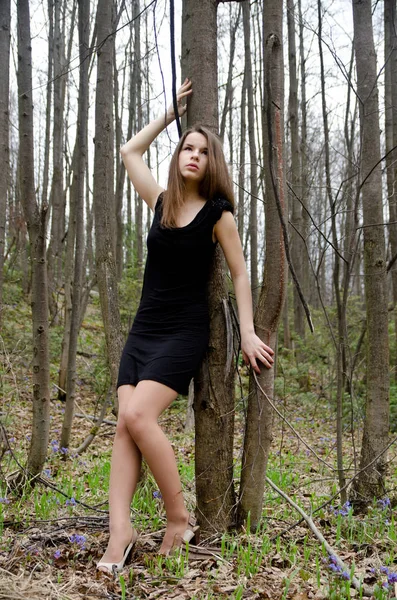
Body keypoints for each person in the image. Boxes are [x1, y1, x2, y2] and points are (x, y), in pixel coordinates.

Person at [97, 78, 274, 575]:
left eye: (202, 151)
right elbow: (130, 151)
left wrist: (249, 332)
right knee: (123, 427)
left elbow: (239, 273)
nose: (193, 155)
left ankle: (179, 519)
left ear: (212, 163)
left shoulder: (219, 214)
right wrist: (171, 116)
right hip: (144, 327)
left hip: (183, 330)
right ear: (178, 156)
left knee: (137, 418)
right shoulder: (160, 202)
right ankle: (121, 532)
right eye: (187, 148)